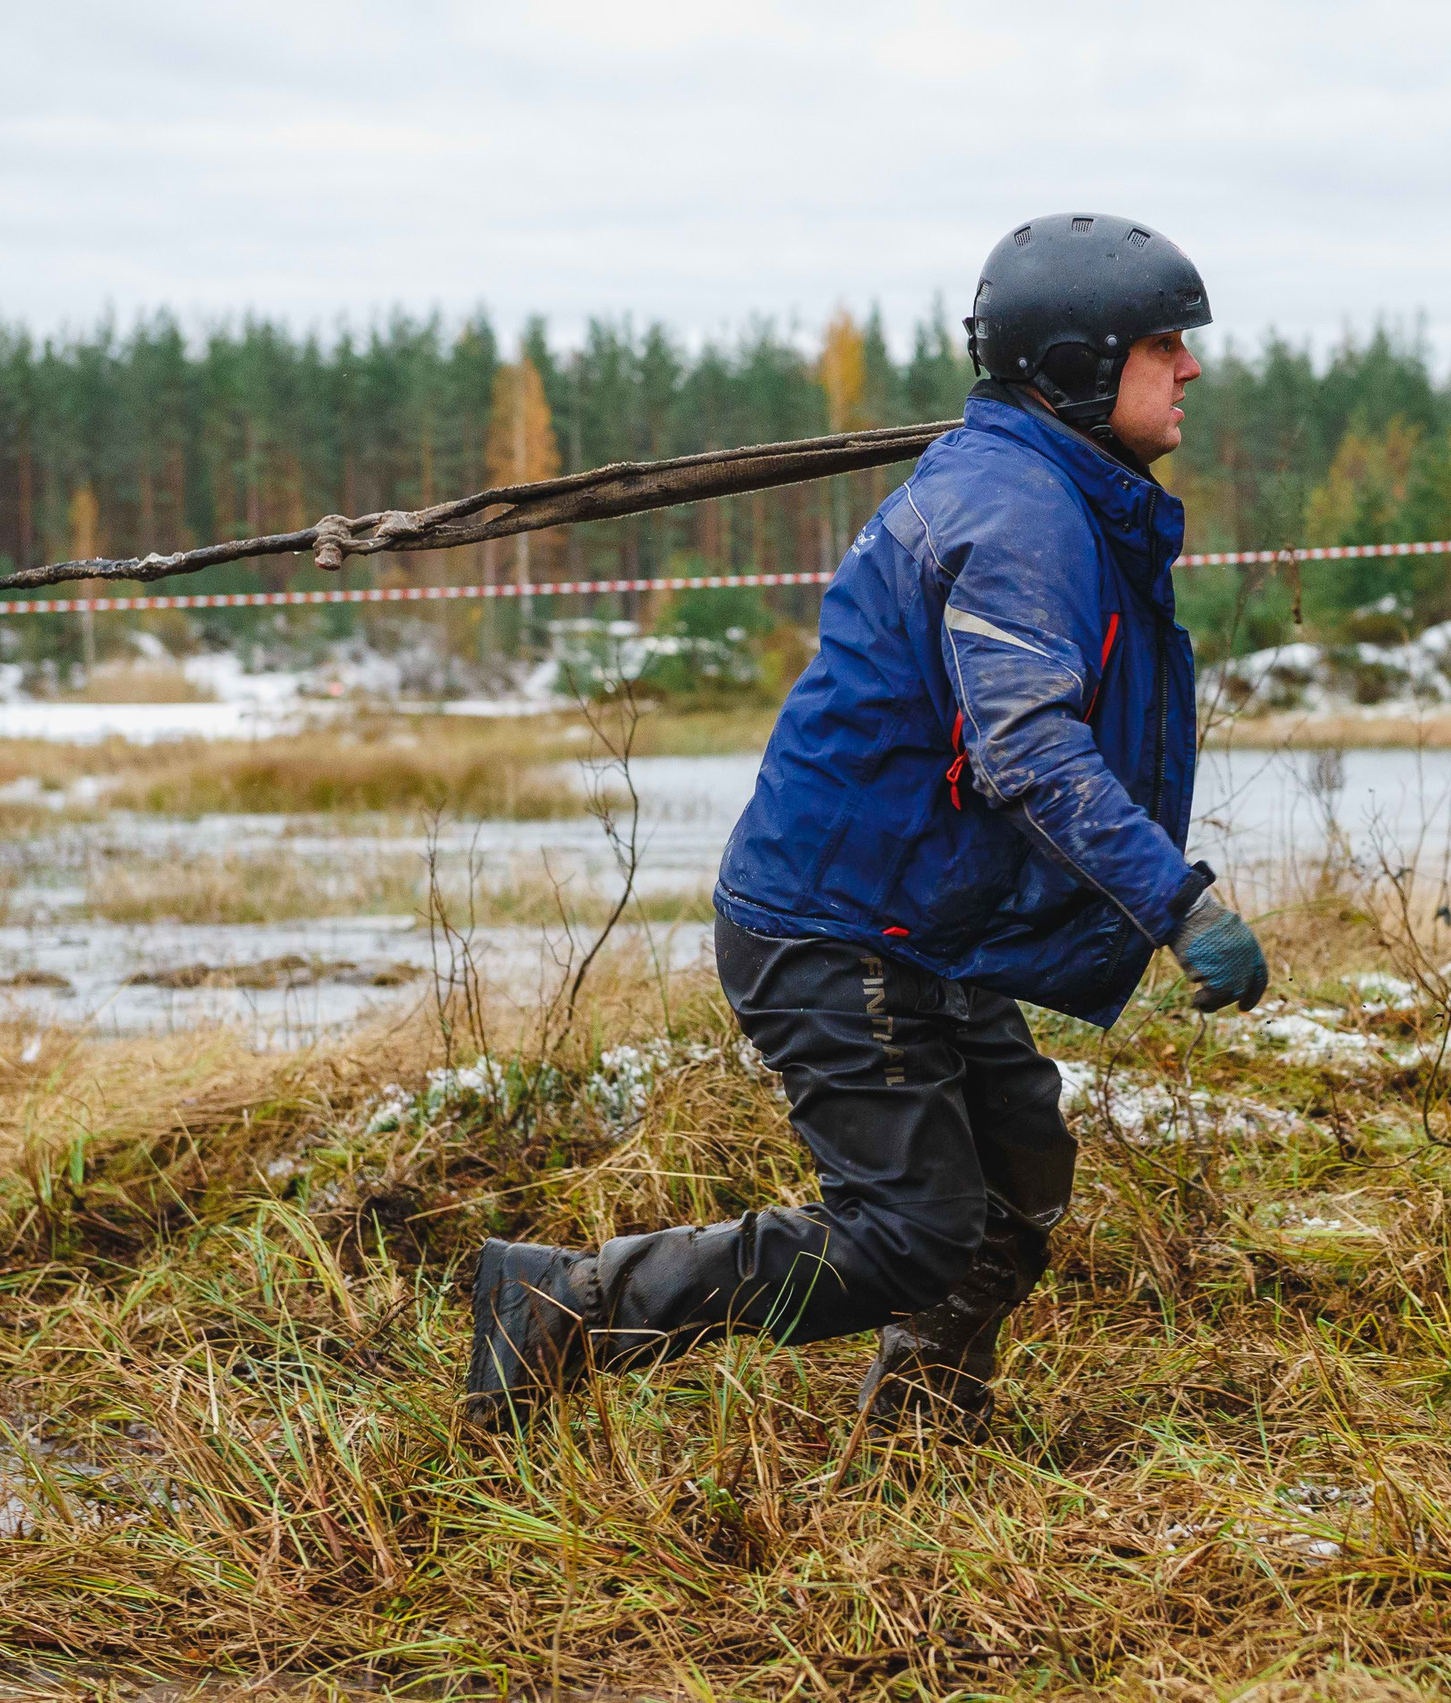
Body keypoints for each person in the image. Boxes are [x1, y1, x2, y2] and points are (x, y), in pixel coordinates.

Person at [463, 213, 1270, 1434]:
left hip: (922, 915)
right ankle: (562, 1304)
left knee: (1017, 1182)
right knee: (906, 1230)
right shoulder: (1017, 514)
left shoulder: (1046, 484)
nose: (1191, 367)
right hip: (837, 925)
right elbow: (1026, 745)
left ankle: (922, 1426)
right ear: (1077, 369)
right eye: (1164, 343)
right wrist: (1179, 902)